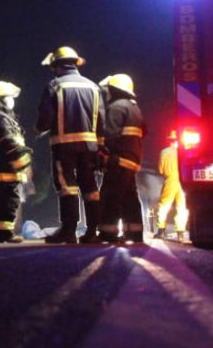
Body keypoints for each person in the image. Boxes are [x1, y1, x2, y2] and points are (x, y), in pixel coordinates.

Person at [35, 46, 103, 244]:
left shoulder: (54, 85)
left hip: (64, 147)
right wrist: (100, 147)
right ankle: (92, 232)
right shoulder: (93, 86)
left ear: (56, 65)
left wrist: (38, 129)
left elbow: (45, 120)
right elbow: (102, 120)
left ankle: (69, 230)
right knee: (90, 187)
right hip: (90, 147)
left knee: (67, 187)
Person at [0, 80, 33, 243]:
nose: (12, 100)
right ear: (0, 99)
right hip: (6, 168)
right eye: (9, 97)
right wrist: (23, 162)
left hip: (4, 167)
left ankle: (1, 233)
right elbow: (9, 142)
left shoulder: (1, 117)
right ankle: (5, 234)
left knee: (5, 202)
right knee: (10, 201)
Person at [97, 73, 145, 243]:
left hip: (119, 160)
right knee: (130, 197)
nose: (107, 92)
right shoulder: (135, 108)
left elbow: (109, 135)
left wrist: (101, 152)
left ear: (115, 90)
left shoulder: (116, 107)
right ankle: (135, 233)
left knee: (111, 196)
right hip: (132, 160)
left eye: (109, 89)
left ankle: (107, 233)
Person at [155, 131, 190, 243]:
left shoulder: (164, 152)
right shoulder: (183, 152)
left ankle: (161, 231)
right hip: (183, 183)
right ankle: (180, 233)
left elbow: (160, 170)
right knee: (182, 208)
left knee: (163, 206)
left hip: (170, 181)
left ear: (168, 140)